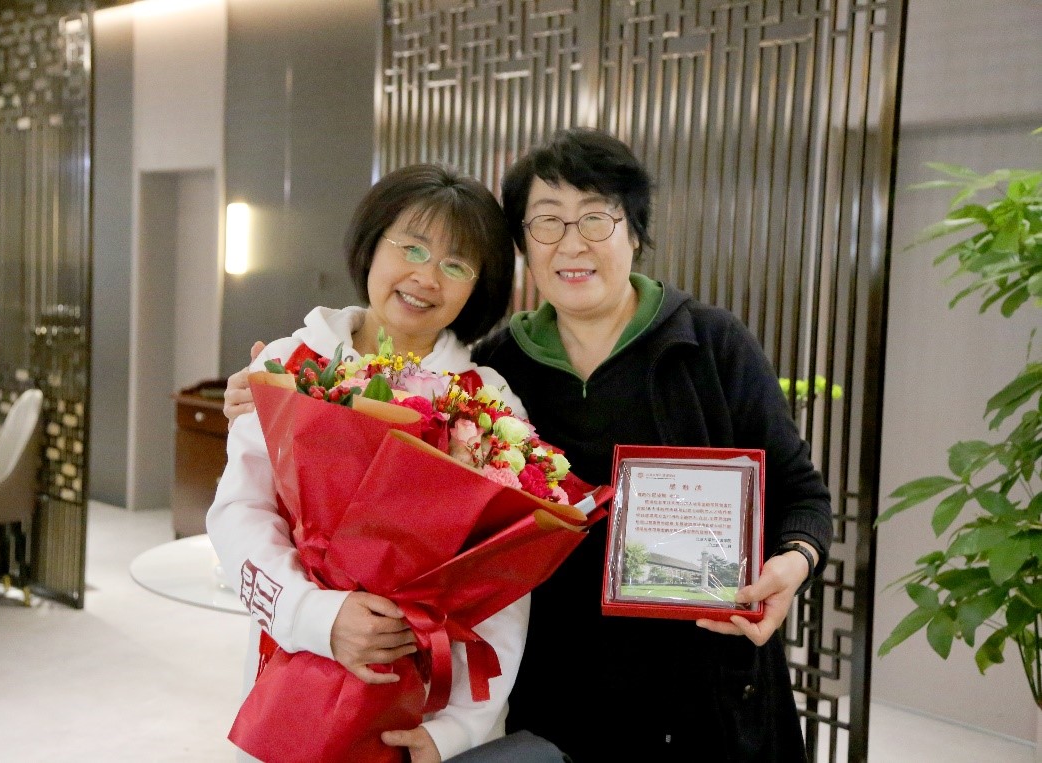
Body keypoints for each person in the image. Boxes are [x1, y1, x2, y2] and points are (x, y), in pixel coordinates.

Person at [224, 128, 833, 761]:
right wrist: (261, 394)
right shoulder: (500, 371)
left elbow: (801, 496)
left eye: (595, 218)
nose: (572, 243)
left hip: (708, 696)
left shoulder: (708, 346)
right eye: (547, 222)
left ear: (634, 232)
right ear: (523, 247)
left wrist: (793, 563)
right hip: (558, 706)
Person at [206, 163, 548, 763]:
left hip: (425, 702)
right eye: (411, 248)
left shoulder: (490, 403)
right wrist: (318, 616)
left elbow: (503, 582)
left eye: (455, 265)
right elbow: (239, 513)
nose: (426, 277)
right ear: (372, 245)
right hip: (294, 667)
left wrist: (459, 729)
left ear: (479, 286)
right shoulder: (293, 363)